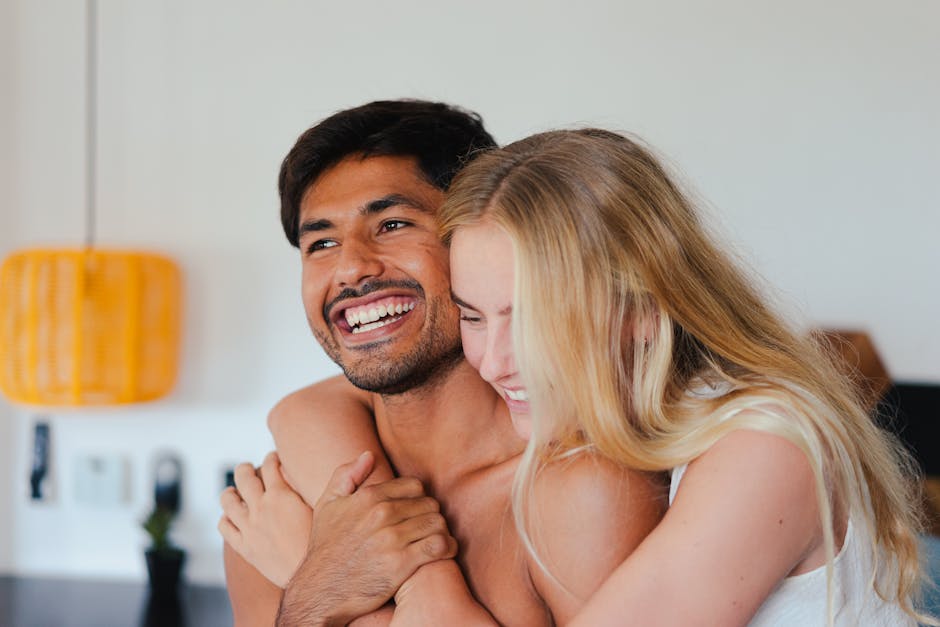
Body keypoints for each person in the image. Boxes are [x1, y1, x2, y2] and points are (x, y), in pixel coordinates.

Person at [433, 127, 931, 625]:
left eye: (533, 321)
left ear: (647, 309)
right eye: (473, 317)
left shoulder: (764, 441)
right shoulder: (632, 422)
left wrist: (420, 579)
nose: (492, 362)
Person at [218, 103, 666, 626]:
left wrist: (315, 578)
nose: (351, 267)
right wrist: (310, 597)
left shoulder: (580, 491)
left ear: (475, 236)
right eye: (322, 243)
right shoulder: (284, 501)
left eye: (391, 223)